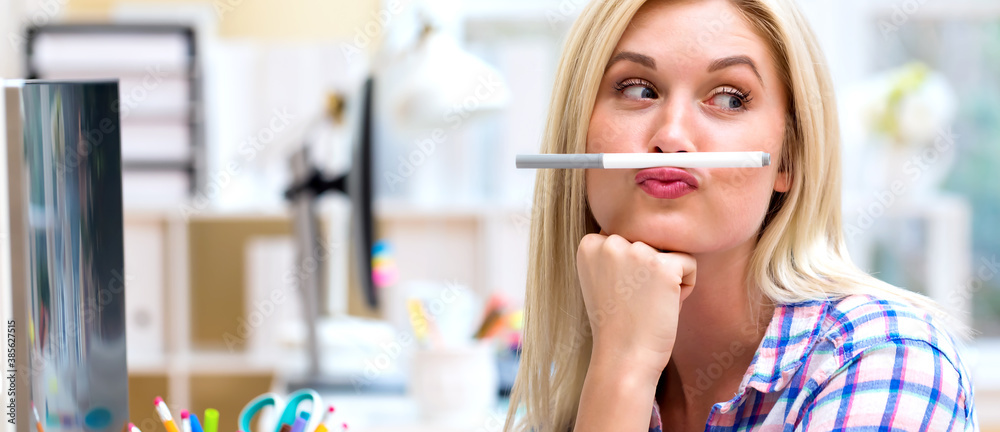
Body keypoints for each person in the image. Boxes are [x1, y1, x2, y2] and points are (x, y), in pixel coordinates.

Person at [502, 0, 978, 431]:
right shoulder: (575, 381)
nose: (671, 137)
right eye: (638, 89)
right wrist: (621, 369)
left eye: (729, 97)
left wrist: (623, 371)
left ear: (787, 159)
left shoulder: (886, 358)